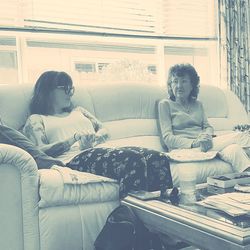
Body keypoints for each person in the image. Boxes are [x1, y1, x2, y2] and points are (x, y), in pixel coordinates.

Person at [23, 71, 173, 198]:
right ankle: (131, 217)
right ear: (48, 91)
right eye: (65, 88)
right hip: (72, 160)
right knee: (135, 160)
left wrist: (93, 138)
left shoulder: (79, 111)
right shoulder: (37, 119)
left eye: (71, 88)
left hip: (99, 150)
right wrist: (72, 140)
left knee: (158, 158)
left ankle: (165, 215)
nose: (70, 93)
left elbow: (104, 130)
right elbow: (39, 151)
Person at [158, 63, 250, 172]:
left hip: (205, 146)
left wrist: (206, 136)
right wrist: (194, 143)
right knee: (240, 137)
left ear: (192, 85)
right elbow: (168, 138)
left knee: (235, 150)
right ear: (170, 84)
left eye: (184, 81)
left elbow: (208, 127)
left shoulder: (198, 104)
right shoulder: (165, 104)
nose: (178, 86)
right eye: (175, 81)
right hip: (183, 150)